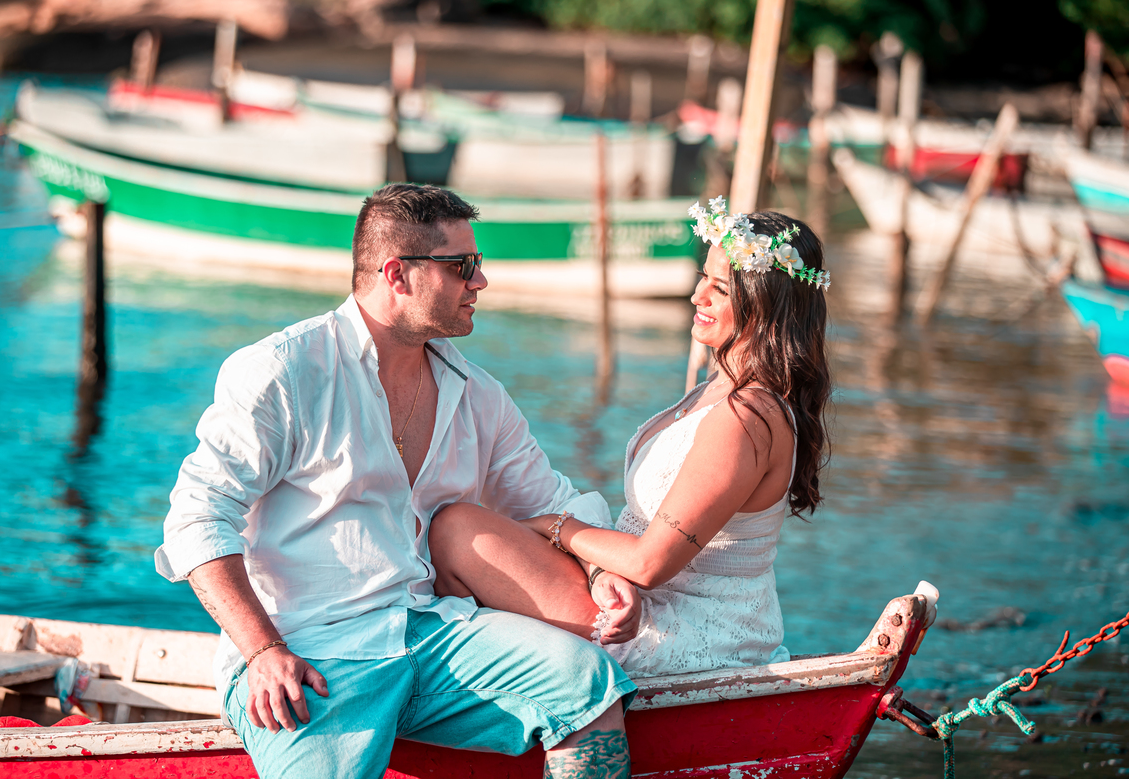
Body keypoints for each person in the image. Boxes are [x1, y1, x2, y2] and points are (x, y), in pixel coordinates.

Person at [154, 183, 639, 779]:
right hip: (310, 652)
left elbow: (552, 503)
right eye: (462, 266)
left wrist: (601, 571)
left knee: (588, 685)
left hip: (436, 634)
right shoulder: (285, 371)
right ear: (397, 274)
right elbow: (198, 518)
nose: (480, 281)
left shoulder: (478, 394)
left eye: (477, 264)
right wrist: (262, 650)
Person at [430, 201, 831, 678]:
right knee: (463, 532)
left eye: (720, 288)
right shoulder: (721, 391)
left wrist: (557, 527)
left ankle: (480, 692)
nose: (697, 295)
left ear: (767, 304)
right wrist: (594, 566)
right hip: (636, 596)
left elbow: (648, 563)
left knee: (458, 532)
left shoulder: (746, 416)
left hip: (680, 628)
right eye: (703, 277)